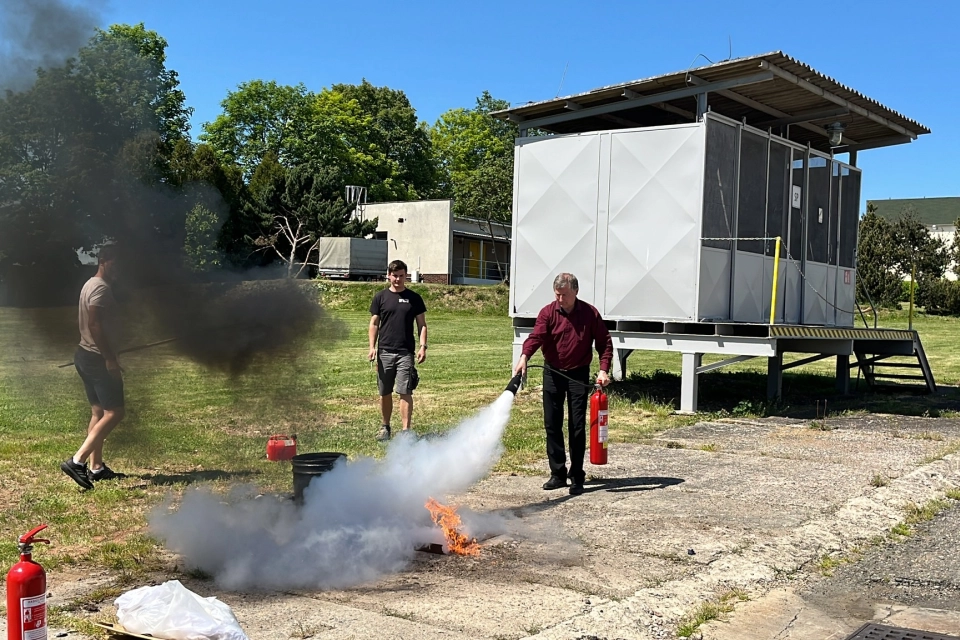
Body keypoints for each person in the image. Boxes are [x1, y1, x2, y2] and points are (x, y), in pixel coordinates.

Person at [513, 273, 612, 496]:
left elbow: (604, 343)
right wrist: (525, 356)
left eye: (564, 295)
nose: (560, 299)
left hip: (578, 374)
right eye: (557, 294)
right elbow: (535, 337)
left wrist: (603, 369)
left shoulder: (589, 313)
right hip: (552, 372)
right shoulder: (548, 312)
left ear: (576, 292)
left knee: (577, 426)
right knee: (552, 423)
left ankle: (577, 476)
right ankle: (557, 474)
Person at [61, 244, 126, 490]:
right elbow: (95, 324)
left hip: (85, 355)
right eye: (116, 263)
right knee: (115, 412)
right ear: (104, 261)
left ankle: (96, 468)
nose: (119, 269)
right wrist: (109, 358)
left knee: (98, 412)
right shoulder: (100, 288)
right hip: (97, 359)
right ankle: (77, 461)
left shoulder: (89, 284)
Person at [369, 260, 428, 441]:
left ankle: (405, 432)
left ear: (406, 276)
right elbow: (374, 323)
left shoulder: (414, 298)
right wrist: (372, 347)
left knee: (405, 391)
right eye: (395, 276)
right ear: (389, 275)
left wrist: (422, 346)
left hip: (405, 352)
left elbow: (422, 325)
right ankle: (385, 427)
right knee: (384, 392)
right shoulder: (380, 297)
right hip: (384, 351)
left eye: (401, 276)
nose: (398, 279)